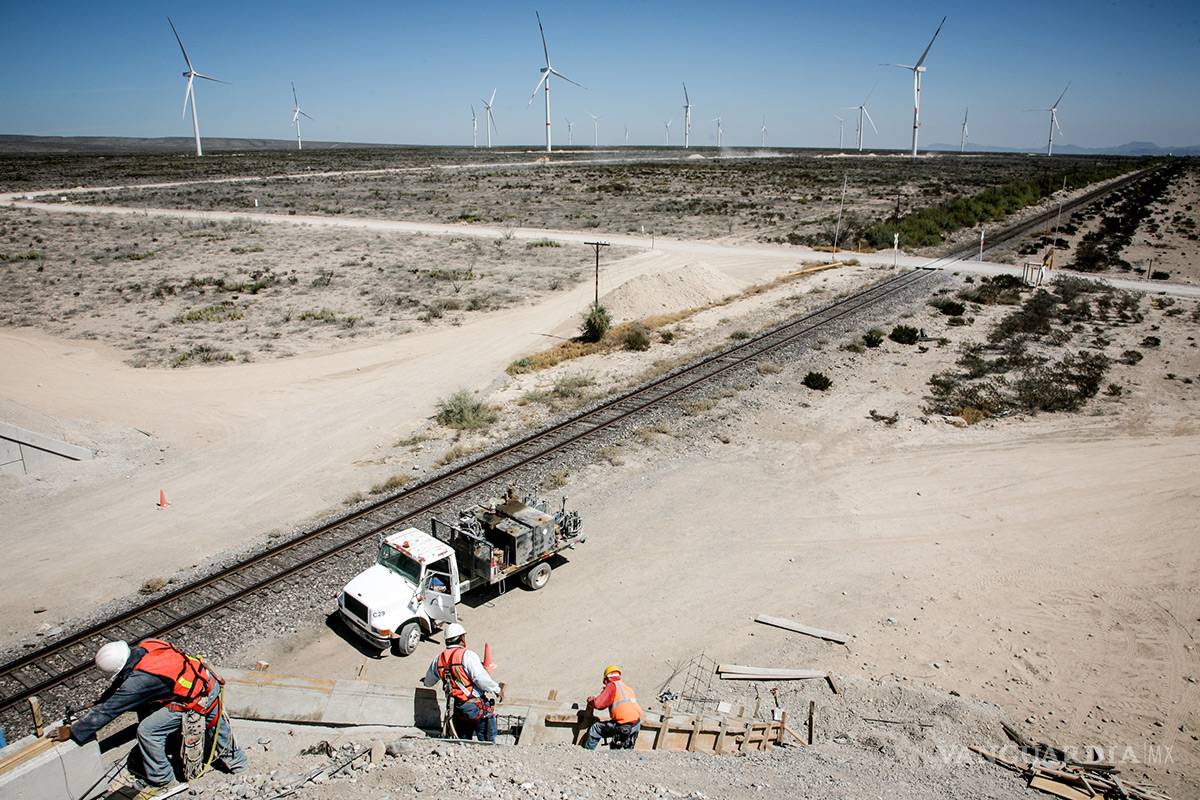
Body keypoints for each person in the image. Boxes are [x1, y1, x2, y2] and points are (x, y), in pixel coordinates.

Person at [49, 639, 246, 799]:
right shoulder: (147, 646)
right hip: (204, 681)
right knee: (215, 726)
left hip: (198, 697)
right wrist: (104, 698)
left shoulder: (140, 682)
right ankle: (237, 763)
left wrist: (74, 731)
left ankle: (162, 780)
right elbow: (120, 687)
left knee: (148, 731)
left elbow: (109, 710)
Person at [422, 623, 502, 742]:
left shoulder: (439, 659)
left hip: (457, 708)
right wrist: (497, 689)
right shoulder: (467, 655)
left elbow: (428, 682)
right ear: (462, 639)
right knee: (487, 741)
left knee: (463, 742)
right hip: (475, 706)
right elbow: (480, 679)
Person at [583, 664, 642, 750]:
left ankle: (587, 752)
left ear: (606, 678)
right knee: (625, 748)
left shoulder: (612, 686)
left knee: (595, 728)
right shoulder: (627, 688)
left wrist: (591, 700)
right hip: (636, 725)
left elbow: (599, 704)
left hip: (622, 726)